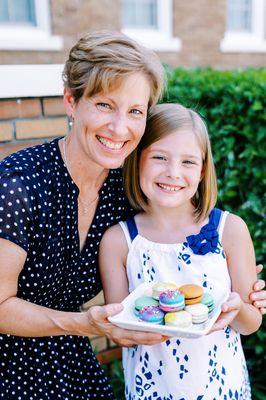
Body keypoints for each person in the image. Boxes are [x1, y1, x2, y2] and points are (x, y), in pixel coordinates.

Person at [0, 31, 264, 400]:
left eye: (135, 111)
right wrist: (82, 323)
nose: (120, 127)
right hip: (10, 366)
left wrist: (241, 289)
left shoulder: (121, 190)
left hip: (72, 362)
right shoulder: (18, 186)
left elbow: (178, 243)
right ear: (72, 101)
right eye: (105, 105)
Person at [99, 103, 263, 399]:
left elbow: (250, 323)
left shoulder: (231, 230)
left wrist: (237, 307)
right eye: (159, 157)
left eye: (188, 162)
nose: (173, 172)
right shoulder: (119, 241)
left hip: (221, 388)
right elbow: (121, 335)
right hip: (152, 389)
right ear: (137, 161)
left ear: (202, 171)